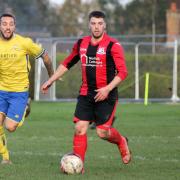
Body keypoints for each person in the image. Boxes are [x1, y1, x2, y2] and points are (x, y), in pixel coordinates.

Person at [41, 10, 131, 172]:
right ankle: (78, 164)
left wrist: (107, 88)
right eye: (93, 23)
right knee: (80, 128)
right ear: (89, 25)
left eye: (100, 23)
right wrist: (50, 80)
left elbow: (123, 72)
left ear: (105, 25)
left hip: (107, 94)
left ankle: (121, 141)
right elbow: (67, 63)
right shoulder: (82, 43)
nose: (97, 27)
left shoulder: (113, 45)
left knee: (102, 132)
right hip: (86, 94)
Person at [0, 13, 54, 164]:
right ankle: (5, 158)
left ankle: (25, 108)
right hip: (1, 90)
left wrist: (51, 76)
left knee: (10, 127)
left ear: (14, 26)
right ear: (0, 26)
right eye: (4, 24)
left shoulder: (24, 43)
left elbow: (45, 56)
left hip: (19, 91)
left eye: (11, 24)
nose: (7, 27)